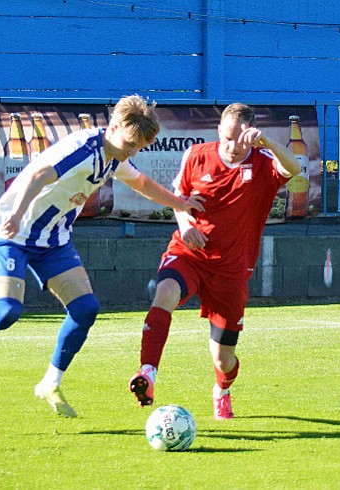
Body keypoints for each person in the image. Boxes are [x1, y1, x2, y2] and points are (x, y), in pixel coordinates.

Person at [0, 95, 205, 418]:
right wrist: (16, 214)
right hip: (12, 233)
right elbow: (36, 174)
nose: (132, 151)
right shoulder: (82, 150)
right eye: (130, 144)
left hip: (53, 240)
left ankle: (50, 383)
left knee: (86, 308)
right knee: (7, 312)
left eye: (137, 147)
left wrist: (179, 204)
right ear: (113, 127)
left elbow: (141, 182)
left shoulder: (114, 157)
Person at [129, 103, 300, 420]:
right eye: (226, 138)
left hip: (231, 270)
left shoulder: (263, 164)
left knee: (223, 359)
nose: (232, 146)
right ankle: (148, 372)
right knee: (165, 291)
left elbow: (295, 169)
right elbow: (178, 199)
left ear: (251, 135)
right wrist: (187, 226)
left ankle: (222, 390)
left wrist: (269, 144)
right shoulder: (196, 154)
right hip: (190, 253)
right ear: (218, 133)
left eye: (239, 139)